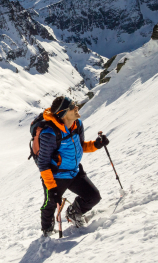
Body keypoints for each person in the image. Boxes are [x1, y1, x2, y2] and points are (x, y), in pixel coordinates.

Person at [37, 95, 109, 236]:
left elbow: (80, 146)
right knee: (50, 204)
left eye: (75, 104)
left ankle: (73, 212)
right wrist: (52, 188)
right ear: (63, 113)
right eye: (72, 106)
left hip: (74, 171)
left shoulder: (78, 124)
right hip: (56, 176)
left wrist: (96, 144)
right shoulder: (49, 134)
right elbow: (43, 164)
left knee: (94, 197)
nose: (76, 107)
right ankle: (47, 232)